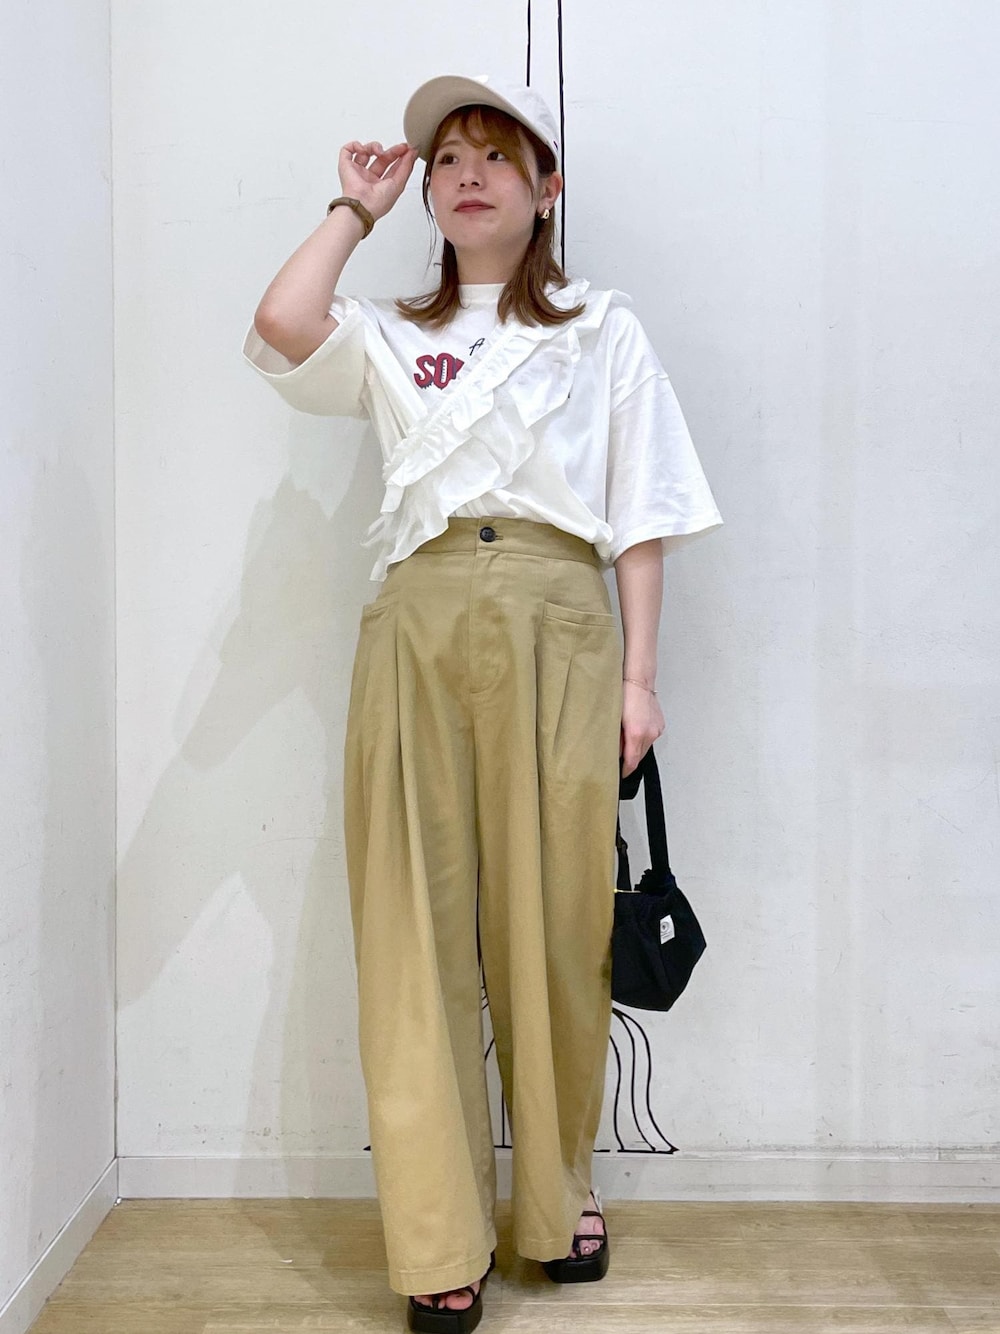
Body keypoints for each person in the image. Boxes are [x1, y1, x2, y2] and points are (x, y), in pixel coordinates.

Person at [242, 73, 722, 1334]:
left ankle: (556, 1195)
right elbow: (282, 321)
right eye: (446, 158)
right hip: (418, 618)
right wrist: (351, 208)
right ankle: (436, 1230)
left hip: (559, 620)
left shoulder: (601, 329)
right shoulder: (388, 332)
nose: (465, 174)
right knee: (414, 931)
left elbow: (642, 513)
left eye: (495, 156)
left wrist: (639, 678)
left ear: (545, 187)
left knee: (554, 927)